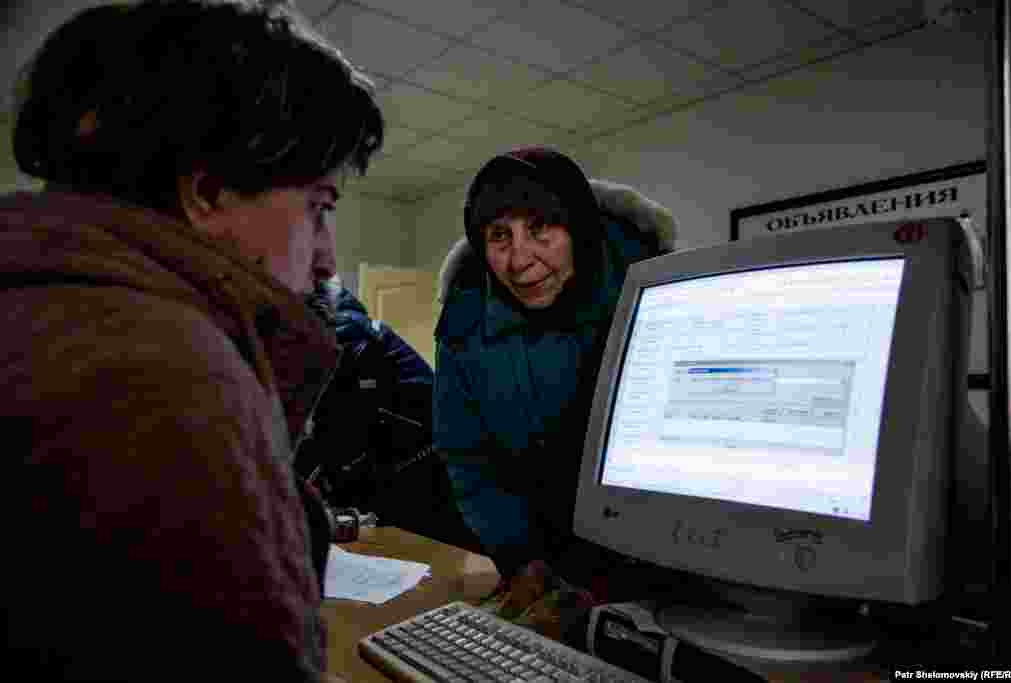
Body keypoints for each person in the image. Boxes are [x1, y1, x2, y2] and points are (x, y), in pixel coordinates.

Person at [1, 1, 383, 680]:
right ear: (206, 191)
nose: (327, 258)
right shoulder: (165, 383)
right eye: (317, 210)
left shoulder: (50, 305)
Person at [433, 146, 677, 590]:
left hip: (661, 563)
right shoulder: (465, 319)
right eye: (499, 236)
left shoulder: (657, 290)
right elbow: (467, 456)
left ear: (579, 227)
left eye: (540, 227)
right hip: (538, 561)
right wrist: (518, 556)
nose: (519, 261)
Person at [298, 271, 484, 553]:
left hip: (424, 466)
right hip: (389, 458)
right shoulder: (323, 323)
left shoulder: (345, 341)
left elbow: (330, 437)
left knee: (430, 567)